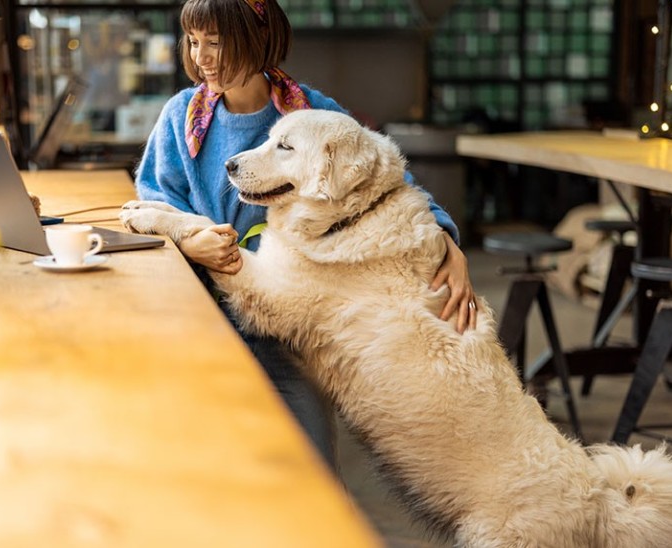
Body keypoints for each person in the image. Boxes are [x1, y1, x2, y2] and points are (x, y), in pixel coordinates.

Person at [133, 0, 476, 468]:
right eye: (193, 42)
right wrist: (190, 242)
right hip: (200, 318)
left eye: (216, 42)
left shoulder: (314, 115)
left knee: (310, 470)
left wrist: (447, 242)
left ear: (258, 38)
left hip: (290, 330)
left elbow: (392, 186)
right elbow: (155, 198)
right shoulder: (180, 119)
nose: (202, 57)